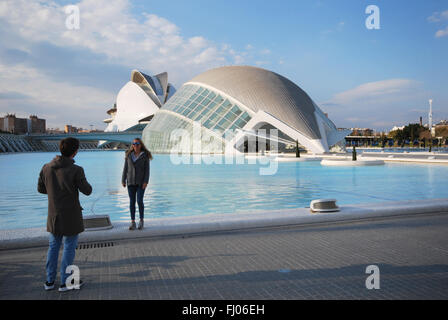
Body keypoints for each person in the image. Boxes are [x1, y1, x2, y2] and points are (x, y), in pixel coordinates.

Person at [38, 137, 92, 292]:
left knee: (53, 246)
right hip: (71, 215)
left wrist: (55, 191)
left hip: (54, 214)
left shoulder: (46, 167)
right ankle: (66, 282)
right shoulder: (76, 170)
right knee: (69, 247)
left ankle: (49, 281)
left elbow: (41, 189)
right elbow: (87, 191)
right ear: (75, 152)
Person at [122, 137, 152, 230]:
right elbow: (125, 168)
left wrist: (146, 181)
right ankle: (133, 222)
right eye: (134, 144)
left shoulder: (145, 155)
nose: (135, 145)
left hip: (140, 182)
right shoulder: (128, 155)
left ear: (141, 145)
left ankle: (141, 221)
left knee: (139, 201)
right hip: (130, 181)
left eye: (137, 144)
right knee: (132, 202)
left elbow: (147, 170)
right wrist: (123, 180)